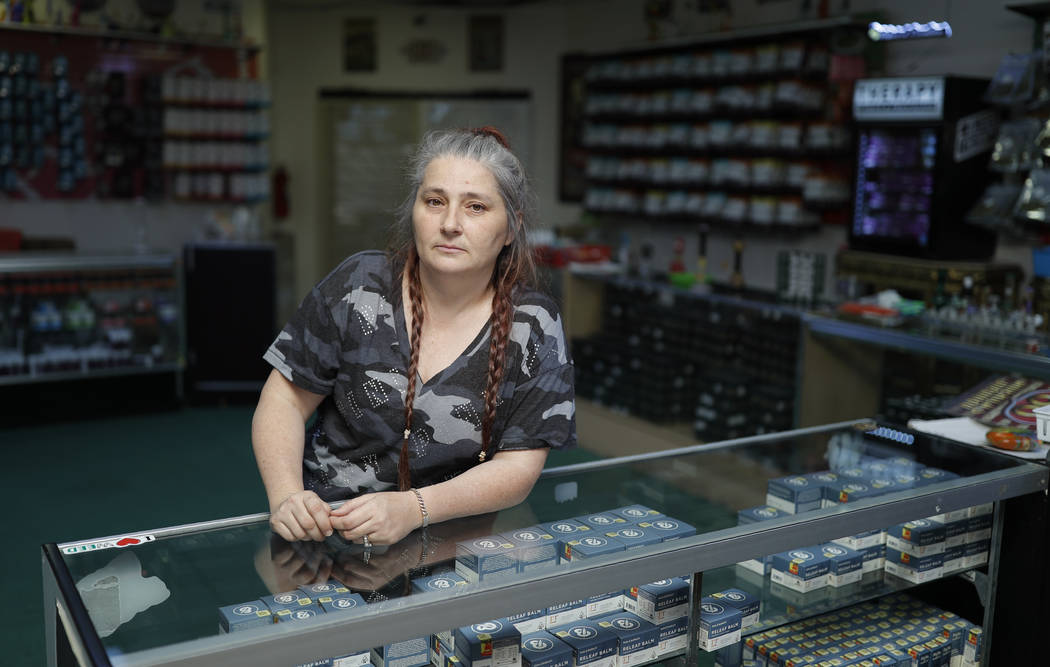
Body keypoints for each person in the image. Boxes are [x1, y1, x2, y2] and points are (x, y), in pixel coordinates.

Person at [252, 126, 576, 548]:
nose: (450, 224)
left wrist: (415, 508)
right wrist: (287, 496)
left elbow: (517, 468)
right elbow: (284, 400)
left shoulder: (532, 324)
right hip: (326, 532)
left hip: (457, 539)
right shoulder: (358, 286)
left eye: (476, 207)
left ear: (511, 228)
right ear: (415, 211)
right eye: (435, 201)